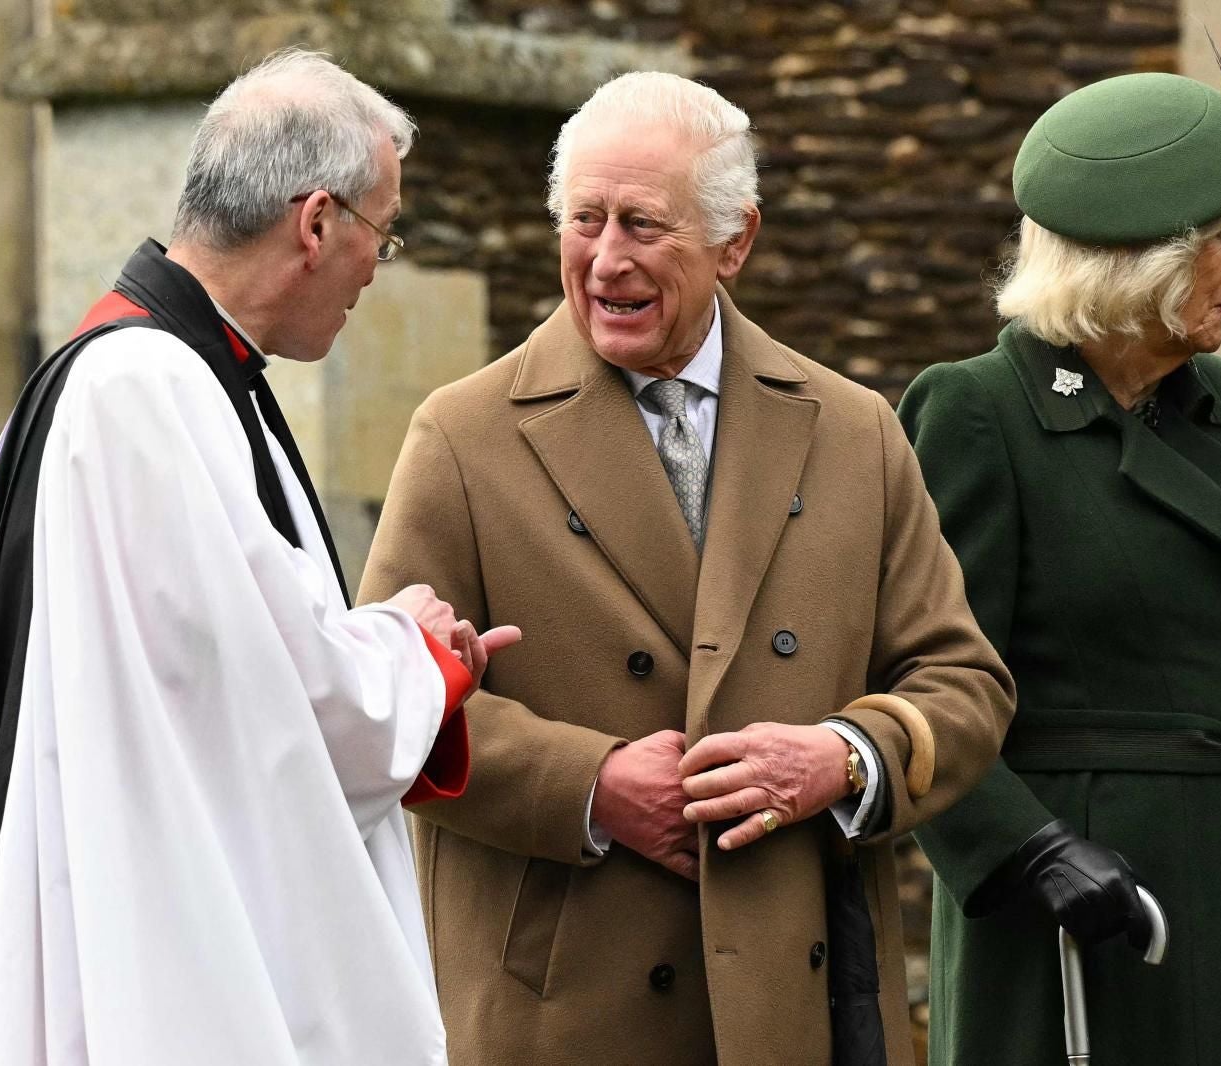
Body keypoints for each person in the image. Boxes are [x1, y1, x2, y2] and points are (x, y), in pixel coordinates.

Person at [0, 49, 516, 1066]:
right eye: (383, 232)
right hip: (154, 965)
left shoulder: (162, 373)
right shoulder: (145, 392)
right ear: (317, 221)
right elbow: (278, 707)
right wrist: (418, 653)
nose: (379, 266)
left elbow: (226, 667)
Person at [357, 71, 1014, 1066]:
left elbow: (963, 685)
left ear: (733, 242)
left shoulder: (851, 430)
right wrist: (593, 782)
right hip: (562, 1018)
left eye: (642, 225)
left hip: (793, 1014)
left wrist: (838, 756)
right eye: (584, 220)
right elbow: (388, 702)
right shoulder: (463, 434)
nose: (605, 259)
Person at [898, 71, 1221, 1065]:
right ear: (1138, 259)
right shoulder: (977, 412)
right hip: (1083, 921)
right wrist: (1024, 849)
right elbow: (917, 683)